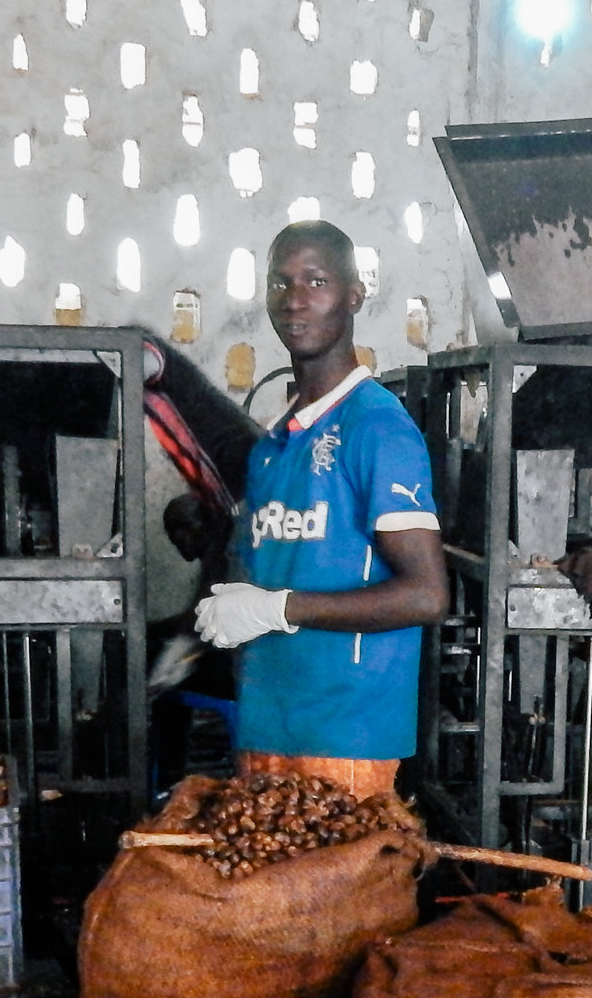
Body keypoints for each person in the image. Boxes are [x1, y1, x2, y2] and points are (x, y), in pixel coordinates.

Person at [186, 221, 447, 798]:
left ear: (354, 295)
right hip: (266, 721)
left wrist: (278, 607)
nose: (296, 300)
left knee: (335, 886)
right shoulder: (275, 445)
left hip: (345, 737)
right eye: (281, 284)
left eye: (317, 280)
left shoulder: (377, 429)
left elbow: (427, 594)